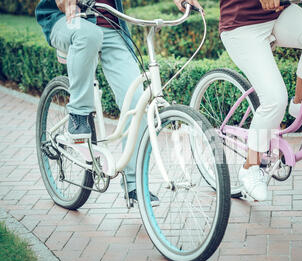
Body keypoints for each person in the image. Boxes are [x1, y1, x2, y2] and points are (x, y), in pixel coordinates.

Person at [35, 0, 201, 206]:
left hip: (111, 25)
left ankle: (133, 184)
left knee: (137, 101)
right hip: (70, 19)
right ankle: (77, 116)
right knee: (89, 35)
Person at [219, 0, 302, 201]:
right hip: (241, 25)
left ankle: (299, 104)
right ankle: (250, 166)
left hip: (277, 14)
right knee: (274, 100)